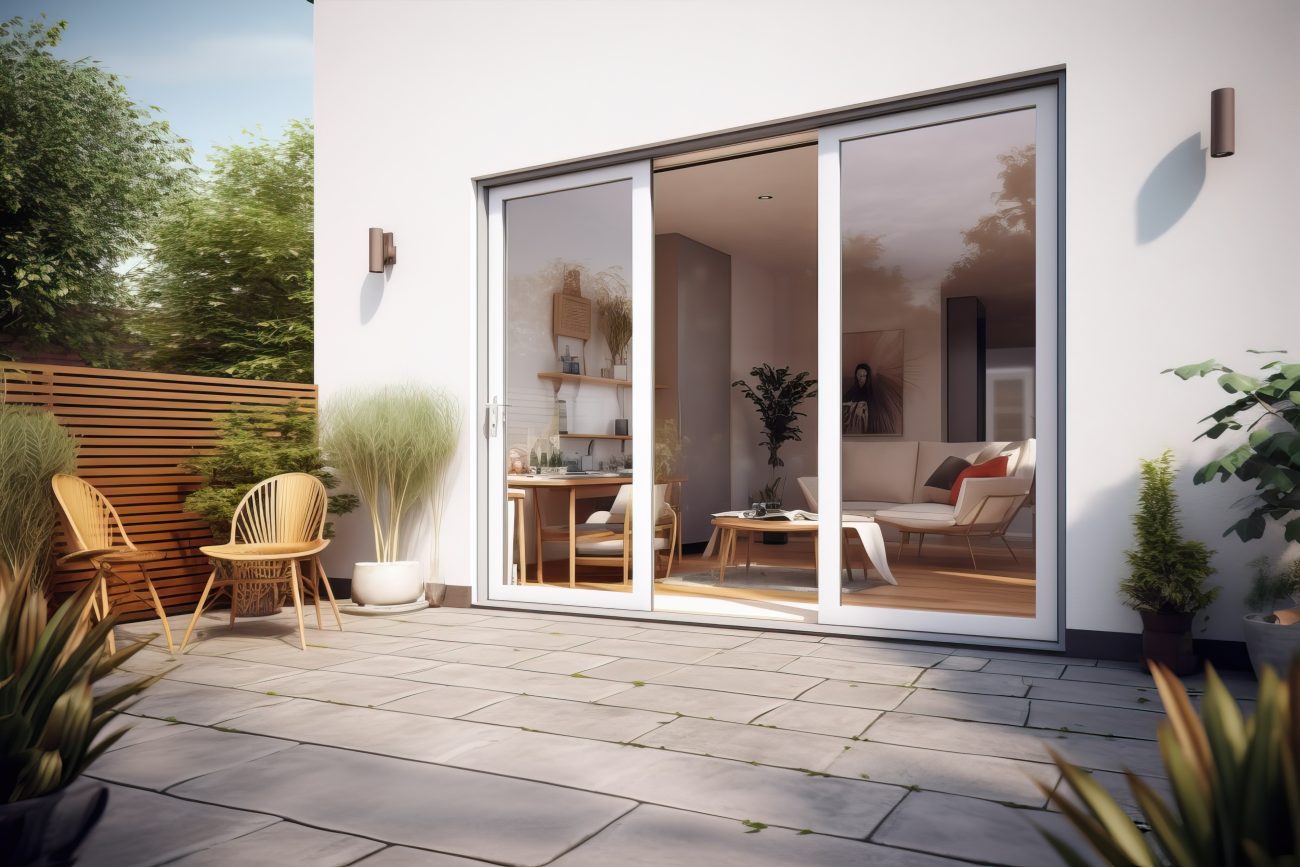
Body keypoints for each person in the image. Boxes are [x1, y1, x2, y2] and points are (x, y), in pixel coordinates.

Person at [843, 362, 872, 434]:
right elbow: (843, 402)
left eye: (863, 376)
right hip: (852, 424)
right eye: (859, 375)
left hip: (863, 424)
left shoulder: (870, 391)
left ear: (867, 377)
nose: (861, 378)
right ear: (856, 375)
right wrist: (850, 405)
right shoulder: (853, 389)